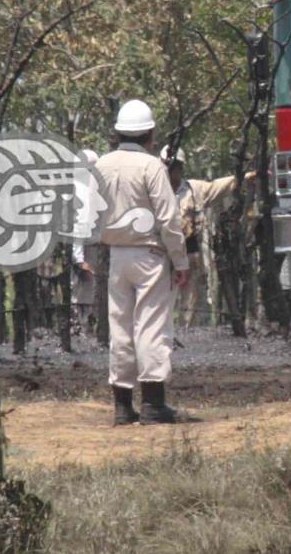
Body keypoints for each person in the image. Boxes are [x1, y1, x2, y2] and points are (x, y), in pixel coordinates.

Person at [95, 100, 189, 425]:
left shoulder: (102, 165)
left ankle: (122, 407)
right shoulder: (152, 167)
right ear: (150, 134)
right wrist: (180, 261)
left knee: (119, 328)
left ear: (118, 133)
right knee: (150, 326)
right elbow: (168, 218)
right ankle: (152, 405)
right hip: (149, 255)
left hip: (116, 256)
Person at [161, 147, 254, 328]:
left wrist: (249, 176)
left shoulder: (195, 190)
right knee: (161, 300)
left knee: (189, 301)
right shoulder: (153, 191)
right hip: (162, 254)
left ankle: (186, 333)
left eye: (175, 166)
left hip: (189, 252)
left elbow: (221, 185)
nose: (172, 170)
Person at [70, 149, 100, 335]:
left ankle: (83, 327)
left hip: (89, 246)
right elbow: (78, 226)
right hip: (80, 248)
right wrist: (79, 259)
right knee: (79, 289)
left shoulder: (88, 189)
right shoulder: (81, 191)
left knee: (86, 290)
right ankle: (78, 328)